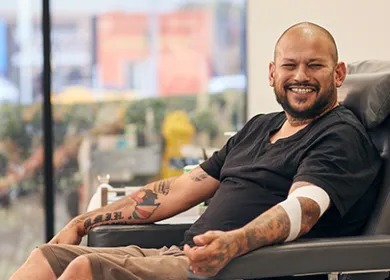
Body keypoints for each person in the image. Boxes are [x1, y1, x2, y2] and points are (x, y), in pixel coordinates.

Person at [9, 22, 382, 280]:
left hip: (245, 267)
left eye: (314, 65)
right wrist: (84, 222)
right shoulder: (260, 126)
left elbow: (304, 208)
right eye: (290, 65)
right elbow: (181, 189)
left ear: (338, 74)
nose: (300, 75)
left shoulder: (340, 136)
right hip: (181, 255)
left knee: (84, 272)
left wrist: (235, 243)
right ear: (272, 73)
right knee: (47, 259)